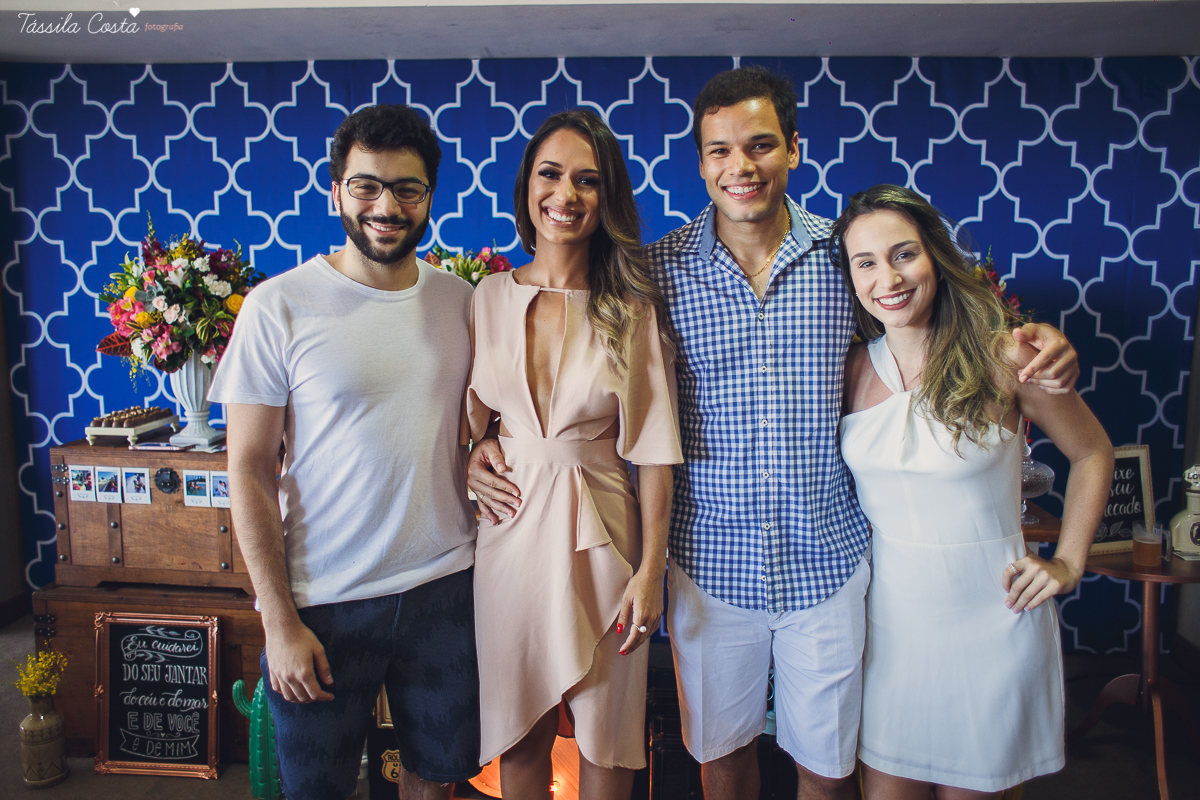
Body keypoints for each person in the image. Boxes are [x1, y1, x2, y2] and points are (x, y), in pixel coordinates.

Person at [469, 67, 1080, 800]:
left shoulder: (844, 257)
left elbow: (934, 315)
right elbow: (576, 373)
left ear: (793, 148)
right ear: (699, 163)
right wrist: (481, 444)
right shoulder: (652, 275)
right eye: (720, 151)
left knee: (826, 773)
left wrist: (1033, 342)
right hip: (708, 565)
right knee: (722, 766)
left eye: (760, 145)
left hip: (828, 562)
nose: (741, 167)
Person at [210, 104, 481, 800]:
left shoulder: (463, 302)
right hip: (323, 602)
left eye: (407, 188)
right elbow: (246, 466)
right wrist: (277, 620)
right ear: (336, 189)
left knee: (439, 782)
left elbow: (480, 423)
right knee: (316, 790)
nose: (386, 206)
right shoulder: (280, 306)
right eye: (367, 186)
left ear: (430, 195)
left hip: (446, 590)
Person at [833, 184, 1113, 799]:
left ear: (935, 256)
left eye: (903, 254)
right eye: (866, 262)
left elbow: (1093, 453)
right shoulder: (848, 368)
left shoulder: (1006, 356)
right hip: (889, 630)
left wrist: (1068, 562)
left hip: (993, 619)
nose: (889, 277)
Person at [466, 109, 682, 800]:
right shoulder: (485, 298)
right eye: (551, 174)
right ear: (527, 186)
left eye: (588, 181)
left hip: (609, 532)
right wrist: (474, 454)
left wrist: (651, 571)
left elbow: (653, 452)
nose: (566, 194)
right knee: (518, 728)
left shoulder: (631, 307)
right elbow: (465, 423)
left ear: (607, 197)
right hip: (509, 532)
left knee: (609, 737)